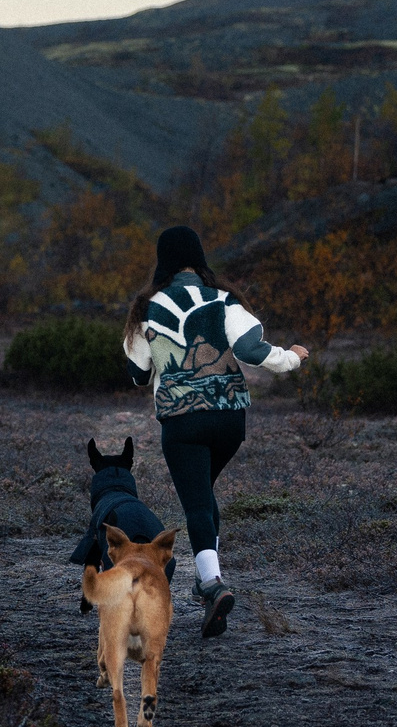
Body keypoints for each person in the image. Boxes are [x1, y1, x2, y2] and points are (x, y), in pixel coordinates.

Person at [121, 225, 308, 637]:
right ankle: (208, 584)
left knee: (197, 505)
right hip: (229, 421)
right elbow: (251, 350)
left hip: (183, 422)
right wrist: (292, 357)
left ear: (162, 260)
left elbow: (138, 374)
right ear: (199, 256)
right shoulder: (224, 299)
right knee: (203, 495)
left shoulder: (145, 308)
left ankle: (211, 583)